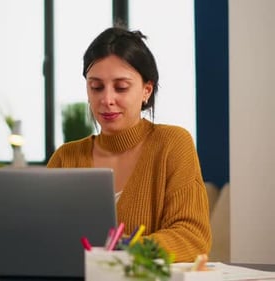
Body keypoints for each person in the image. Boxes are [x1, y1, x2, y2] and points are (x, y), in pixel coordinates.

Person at [47, 26, 211, 262]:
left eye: (121, 87)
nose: (107, 100)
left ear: (146, 90)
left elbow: (192, 237)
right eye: (96, 87)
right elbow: (43, 235)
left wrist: (120, 252)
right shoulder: (66, 157)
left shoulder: (173, 144)